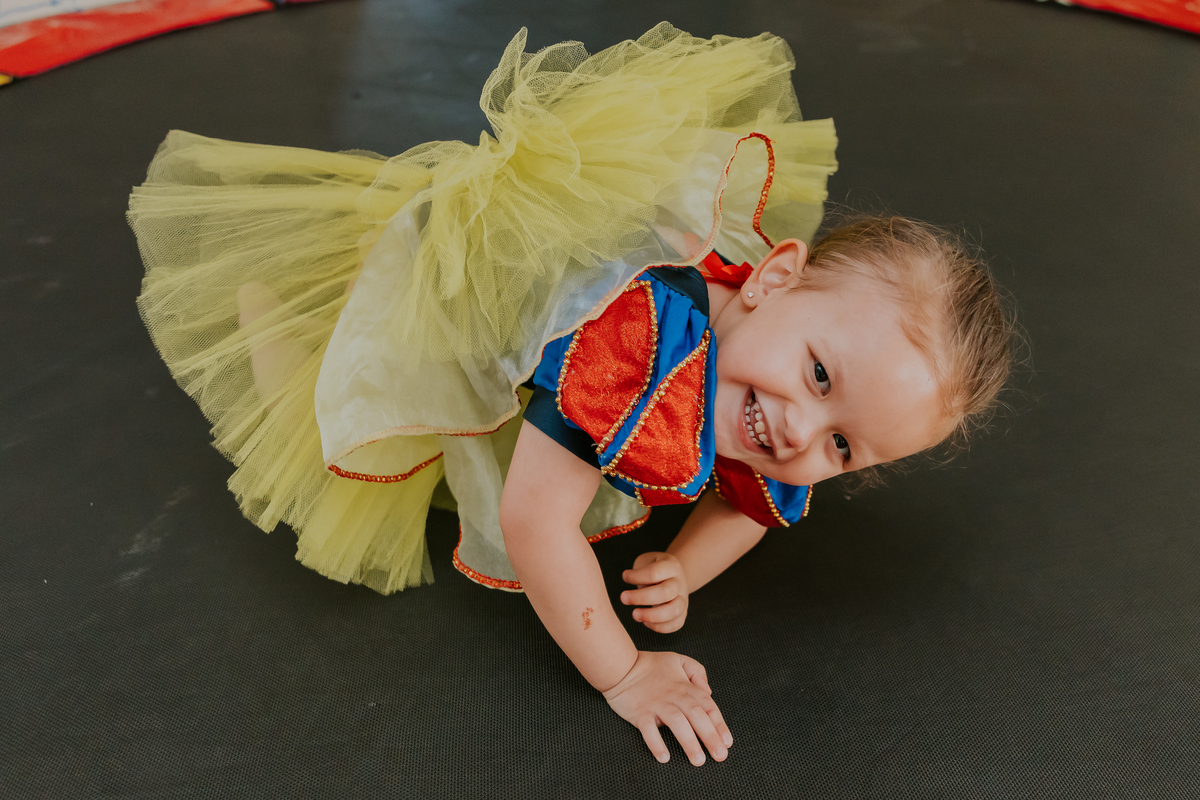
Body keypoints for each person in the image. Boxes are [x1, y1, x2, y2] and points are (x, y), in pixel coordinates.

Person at [128, 23, 1014, 767]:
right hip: (478, 302)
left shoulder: (784, 414)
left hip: (584, 351)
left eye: (846, 447)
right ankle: (282, 337)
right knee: (369, 402)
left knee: (524, 437)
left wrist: (685, 568)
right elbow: (535, 524)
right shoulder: (637, 344)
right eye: (819, 377)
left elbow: (754, 504)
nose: (798, 433)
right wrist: (625, 673)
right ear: (774, 279)